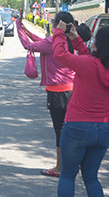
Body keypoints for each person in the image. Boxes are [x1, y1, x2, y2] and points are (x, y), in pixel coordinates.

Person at [53, 23, 109, 197]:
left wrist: (59, 33)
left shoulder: (88, 64)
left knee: (68, 176)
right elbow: (92, 62)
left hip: (78, 125)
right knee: (91, 178)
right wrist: (75, 39)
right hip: (103, 129)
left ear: (99, 45)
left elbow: (60, 54)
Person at [17, 12, 80, 178]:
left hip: (57, 92)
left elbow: (28, 45)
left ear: (58, 24)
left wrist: (18, 26)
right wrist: (26, 29)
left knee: (60, 130)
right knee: (70, 129)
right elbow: (40, 41)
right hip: (72, 89)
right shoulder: (70, 40)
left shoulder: (53, 42)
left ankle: (60, 167)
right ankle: (75, 161)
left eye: (53, 22)